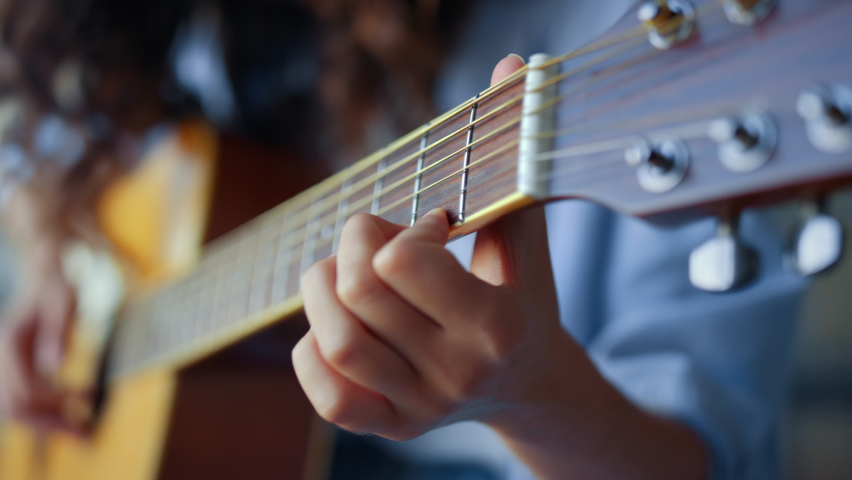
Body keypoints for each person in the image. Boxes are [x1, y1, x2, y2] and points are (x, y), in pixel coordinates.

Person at [0, 1, 807, 479]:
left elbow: (716, 460)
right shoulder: (147, 26)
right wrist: (47, 255)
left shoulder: (628, 25)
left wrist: (532, 397)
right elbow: (41, 143)